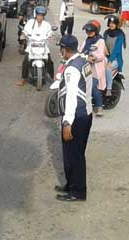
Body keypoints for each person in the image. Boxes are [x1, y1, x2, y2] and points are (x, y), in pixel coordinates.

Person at [55, 35, 92, 202]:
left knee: (74, 155)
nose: (60, 51)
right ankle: (71, 184)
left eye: (61, 48)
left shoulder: (71, 69)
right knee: (74, 153)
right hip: (86, 114)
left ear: (65, 49)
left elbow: (71, 97)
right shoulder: (83, 62)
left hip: (76, 116)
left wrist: (67, 122)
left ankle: (77, 192)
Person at [17, 6, 54, 87]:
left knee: (50, 61)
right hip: (31, 45)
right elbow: (25, 31)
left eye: (42, 15)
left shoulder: (46, 24)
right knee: (25, 61)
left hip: (43, 46)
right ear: (36, 15)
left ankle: (52, 78)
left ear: (44, 16)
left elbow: (50, 32)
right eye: (39, 15)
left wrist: (51, 36)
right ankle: (23, 79)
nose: (40, 17)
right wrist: (23, 35)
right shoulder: (30, 22)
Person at [81, 21, 107, 117]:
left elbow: (101, 55)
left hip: (96, 68)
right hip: (86, 66)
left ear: (96, 31)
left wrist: (93, 57)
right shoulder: (86, 41)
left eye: (91, 31)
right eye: (87, 31)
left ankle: (99, 106)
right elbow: (80, 51)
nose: (89, 32)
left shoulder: (100, 41)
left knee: (92, 85)